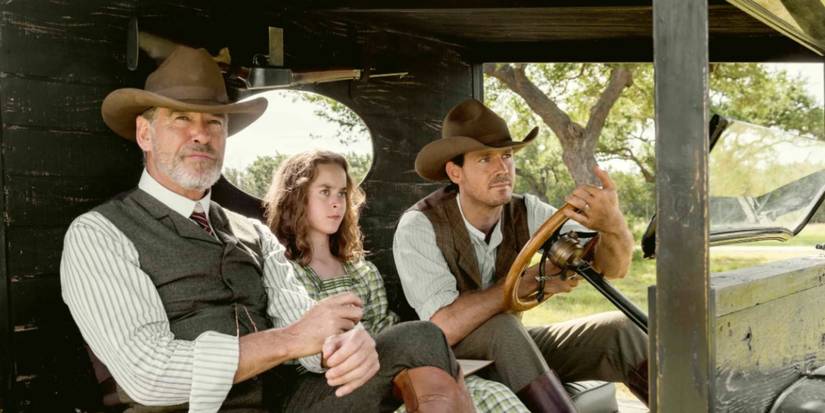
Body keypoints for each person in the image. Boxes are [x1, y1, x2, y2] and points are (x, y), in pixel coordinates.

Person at [60, 45, 473, 413]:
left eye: (215, 122)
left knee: (421, 338)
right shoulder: (100, 234)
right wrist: (291, 341)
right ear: (145, 133)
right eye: (181, 119)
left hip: (286, 402)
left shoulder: (253, 233)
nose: (200, 134)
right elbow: (149, 375)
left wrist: (343, 346)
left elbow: (306, 330)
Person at [393, 98, 649, 412]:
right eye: (485, 159)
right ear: (455, 172)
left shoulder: (527, 210)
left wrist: (612, 226)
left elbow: (613, 269)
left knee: (620, 330)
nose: (502, 168)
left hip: (512, 348)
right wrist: (526, 283)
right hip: (442, 363)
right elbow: (443, 327)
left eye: (507, 156)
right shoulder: (419, 226)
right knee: (504, 328)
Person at [263, 150, 529, 413]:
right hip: (322, 389)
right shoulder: (286, 272)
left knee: (488, 392)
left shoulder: (361, 271)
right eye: (325, 192)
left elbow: (384, 332)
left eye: (342, 193)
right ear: (296, 198)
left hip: (381, 376)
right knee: (422, 334)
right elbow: (304, 351)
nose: (336, 203)